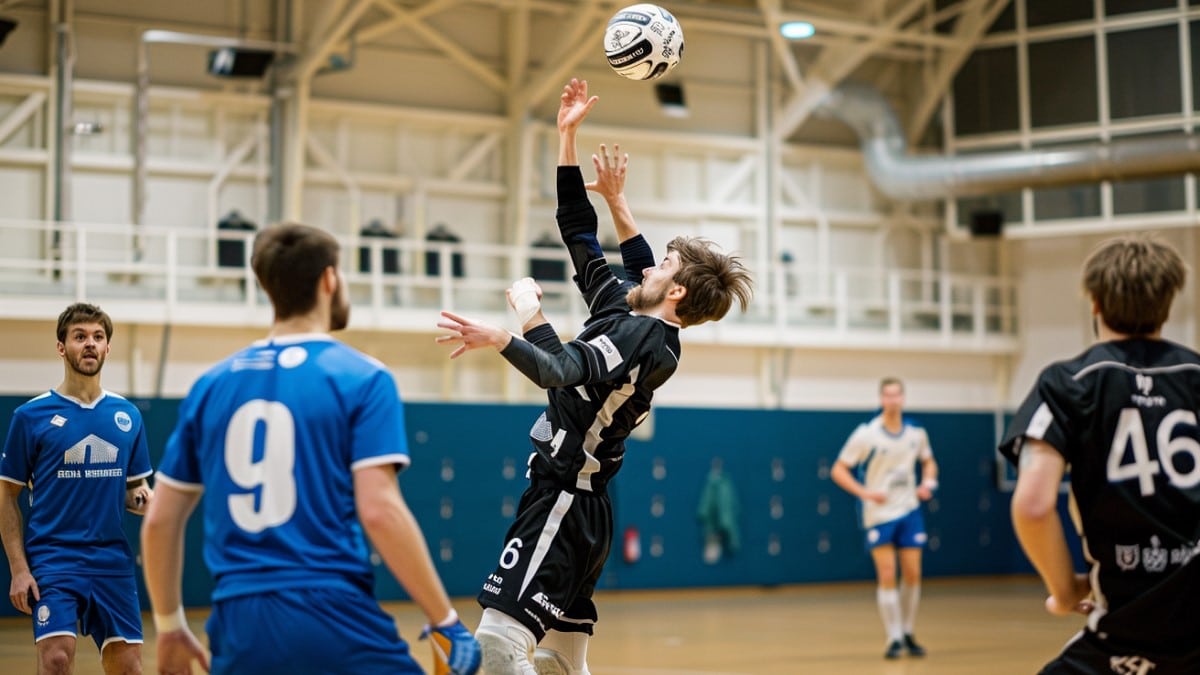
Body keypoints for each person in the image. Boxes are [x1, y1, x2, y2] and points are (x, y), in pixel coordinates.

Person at [435, 78, 753, 675]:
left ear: (676, 290)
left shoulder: (636, 334)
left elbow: (556, 370)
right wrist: (568, 140)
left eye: (664, 264)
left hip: (561, 503)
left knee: (499, 652)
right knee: (560, 663)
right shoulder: (637, 316)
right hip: (584, 507)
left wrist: (514, 327)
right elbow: (579, 234)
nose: (648, 261)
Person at [140, 222, 480, 675]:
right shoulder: (362, 377)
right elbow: (379, 511)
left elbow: (161, 519)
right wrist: (446, 619)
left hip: (236, 622)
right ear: (329, 279)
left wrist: (169, 627)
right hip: (330, 611)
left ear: (266, 286)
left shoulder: (210, 385)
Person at [1000, 235, 1200, 674]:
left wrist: (1066, 590)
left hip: (1132, 628)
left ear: (1094, 303)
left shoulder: (1069, 383)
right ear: (1168, 305)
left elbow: (1033, 506)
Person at [0, 302, 154, 675]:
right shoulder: (30, 416)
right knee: (56, 660)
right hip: (54, 558)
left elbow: (134, 490)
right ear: (61, 347)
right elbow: (7, 495)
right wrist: (19, 569)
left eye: (98, 337)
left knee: (129, 666)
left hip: (112, 561)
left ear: (107, 348)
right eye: (80, 336)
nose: (90, 344)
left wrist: (147, 501)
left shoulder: (127, 415)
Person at [830, 377, 938, 660]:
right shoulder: (867, 434)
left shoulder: (916, 433)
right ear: (881, 399)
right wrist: (865, 493)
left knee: (913, 574)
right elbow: (839, 469)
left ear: (903, 398)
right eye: (887, 396)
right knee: (888, 573)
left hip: (909, 509)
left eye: (897, 395)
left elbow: (928, 460)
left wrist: (929, 482)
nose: (892, 400)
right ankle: (892, 637)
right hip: (879, 513)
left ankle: (907, 631)